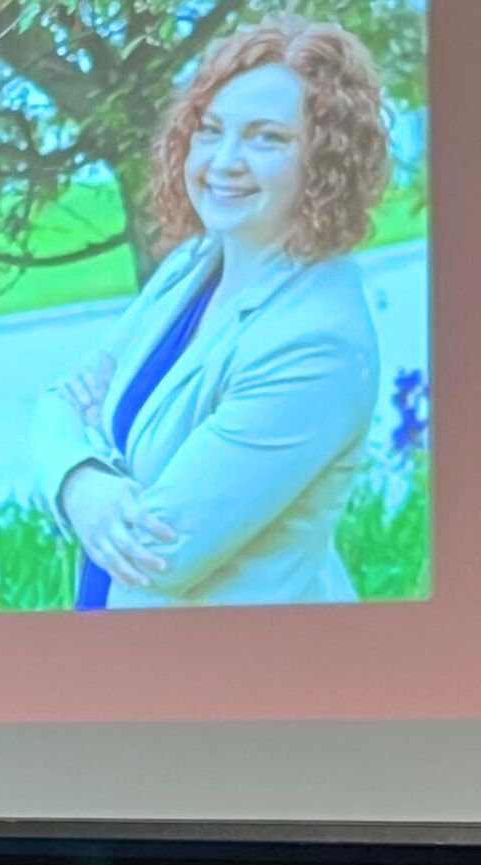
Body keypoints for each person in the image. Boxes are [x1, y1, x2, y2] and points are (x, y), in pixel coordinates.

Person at [32, 14, 389, 610]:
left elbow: (159, 552)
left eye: (266, 138)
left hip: (233, 683)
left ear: (327, 160)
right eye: (211, 129)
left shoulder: (318, 341)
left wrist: (80, 477)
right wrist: (81, 481)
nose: (224, 160)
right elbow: (58, 400)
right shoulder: (194, 264)